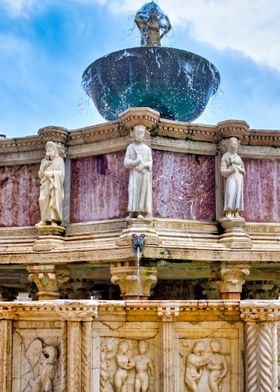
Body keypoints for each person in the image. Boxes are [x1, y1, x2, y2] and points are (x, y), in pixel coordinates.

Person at [124, 125, 152, 219]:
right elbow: (126, 163)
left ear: (144, 135)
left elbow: (150, 162)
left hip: (144, 173)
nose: (139, 135)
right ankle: (132, 212)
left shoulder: (147, 149)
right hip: (134, 173)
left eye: (141, 133)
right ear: (134, 135)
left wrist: (144, 165)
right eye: (137, 133)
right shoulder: (130, 147)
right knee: (132, 191)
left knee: (143, 192)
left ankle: (140, 212)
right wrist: (135, 162)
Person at [36, 141, 65, 227]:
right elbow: (40, 175)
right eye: (47, 149)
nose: (49, 150)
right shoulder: (43, 161)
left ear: (55, 150)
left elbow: (62, 174)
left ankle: (54, 221)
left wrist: (52, 174)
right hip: (45, 184)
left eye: (51, 149)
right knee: (43, 200)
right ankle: (44, 219)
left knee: (54, 201)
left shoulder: (59, 160)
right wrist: (43, 167)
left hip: (55, 185)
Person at [220, 137, 245, 218]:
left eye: (235, 144)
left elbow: (244, 171)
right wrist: (231, 170)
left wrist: (240, 170)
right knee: (230, 193)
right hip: (231, 177)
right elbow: (222, 171)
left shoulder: (238, 157)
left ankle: (236, 212)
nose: (233, 146)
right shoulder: (225, 156)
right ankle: (228, 211)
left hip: (239, 178)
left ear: (237, 146)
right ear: (229, 145)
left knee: (238, 194)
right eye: (231, 144)